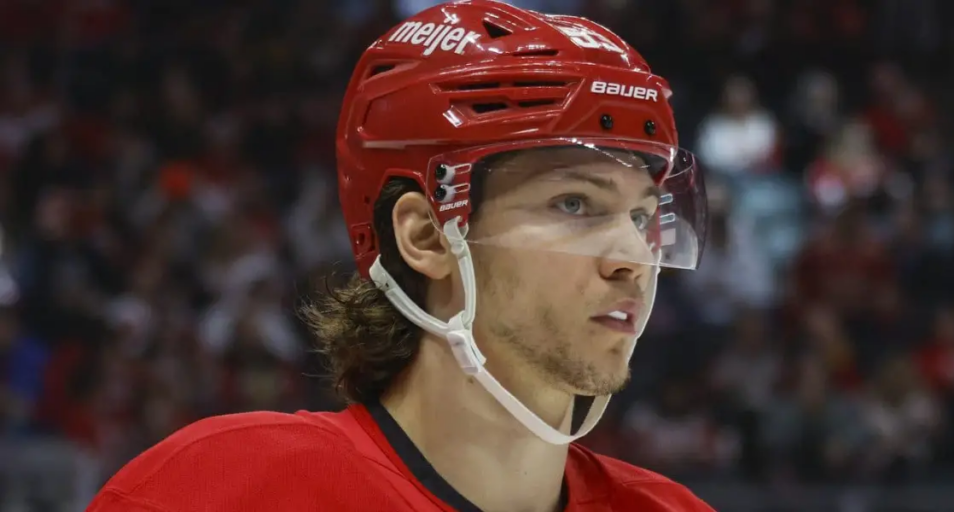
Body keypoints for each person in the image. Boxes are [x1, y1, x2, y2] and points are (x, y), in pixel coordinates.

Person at [87, 1, 713, 510]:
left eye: (642, 216)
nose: (633, 257)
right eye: (574, 204)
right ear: (426, 236)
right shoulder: (214, 492)